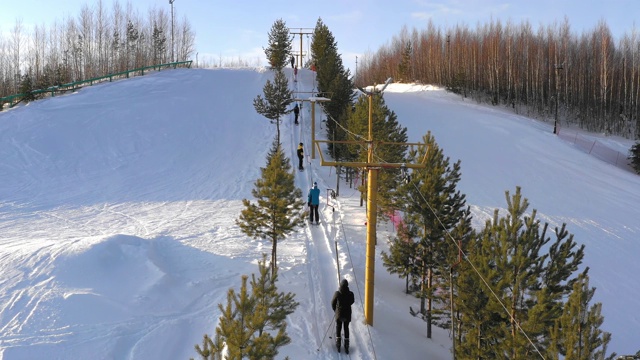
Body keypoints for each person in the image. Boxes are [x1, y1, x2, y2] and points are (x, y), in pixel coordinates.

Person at [331, 278, 355, 354]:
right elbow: (352, 301)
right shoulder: (351, 294)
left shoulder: (337, 293)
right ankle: (346, 345)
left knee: (338, 327)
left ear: (340, 285)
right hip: (347, 315)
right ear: (347, 285)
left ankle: (338, 344)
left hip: (339, 314)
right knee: (346, 328)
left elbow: (332, 303)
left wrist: (335, 310)